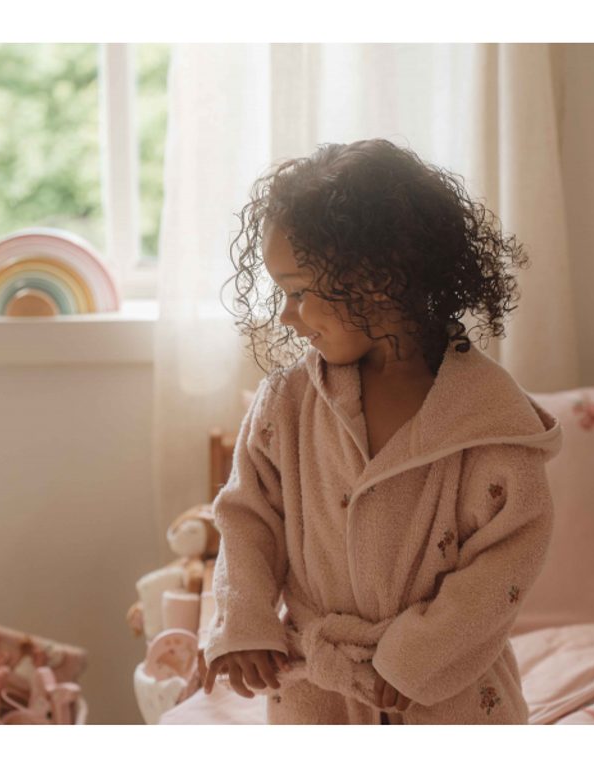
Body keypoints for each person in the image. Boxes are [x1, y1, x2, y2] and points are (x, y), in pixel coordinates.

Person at [197, 138, 562, 724]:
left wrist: (417, 655)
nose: (285, 315)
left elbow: (507, 560)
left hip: (447, 693)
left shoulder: (489, 420)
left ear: (378, 280)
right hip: (318, 693)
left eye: (297, 291)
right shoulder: (286, 403)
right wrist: (245, 621)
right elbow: (247, 516)